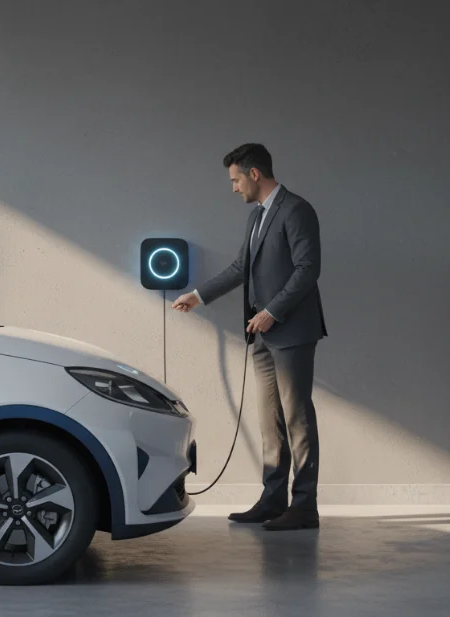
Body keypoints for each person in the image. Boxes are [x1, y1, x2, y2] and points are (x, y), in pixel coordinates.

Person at [173, 143, 327, 531]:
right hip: (261, 337)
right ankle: (273, 499)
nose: (234, 188)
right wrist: (198, 295)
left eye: (236, 180)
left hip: (290, 332)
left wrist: (272, 312)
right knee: (269, 421)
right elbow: (241, 266)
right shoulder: (257, 216)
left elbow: (308, 269)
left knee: (297, 419)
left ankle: (304, 507)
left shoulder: (297, 210)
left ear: (254, 174)